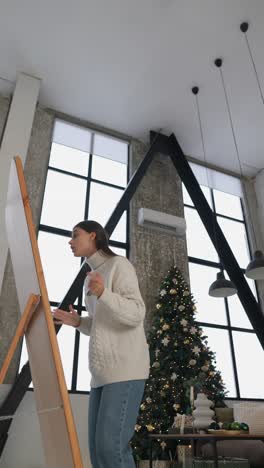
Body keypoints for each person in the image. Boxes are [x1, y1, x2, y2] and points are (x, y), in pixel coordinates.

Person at [53, 220, 150, 468]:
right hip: (100, 374)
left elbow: (137, 313)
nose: (70, 241)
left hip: (125, 369)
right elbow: (101, 323)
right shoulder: (91, 278)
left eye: (76, 235)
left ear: (93, 236)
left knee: (112, 448)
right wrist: (77, 322)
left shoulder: (120, 265)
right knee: (98, 452)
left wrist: (104, 293)